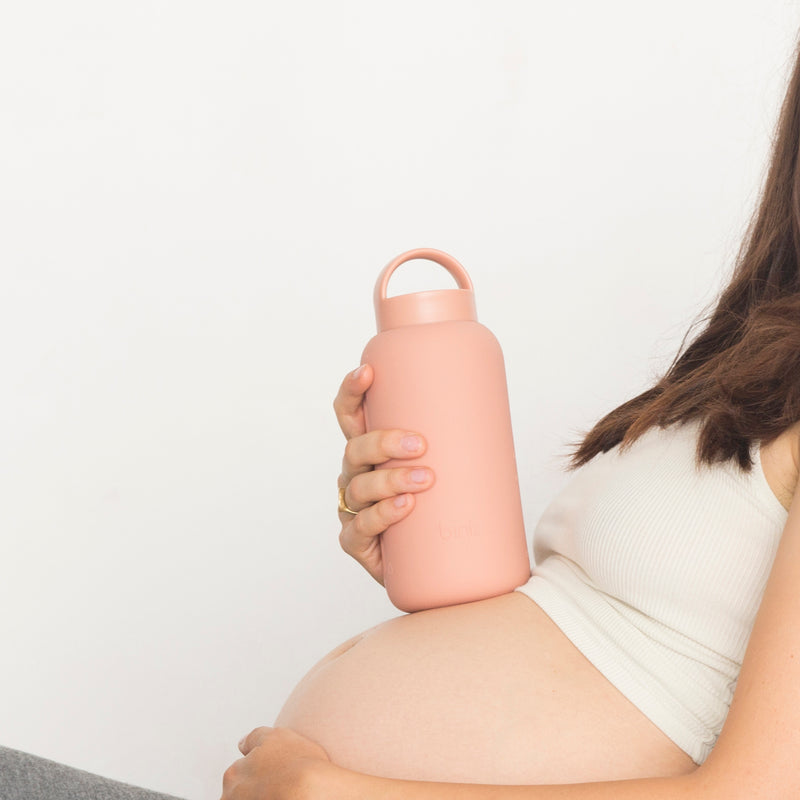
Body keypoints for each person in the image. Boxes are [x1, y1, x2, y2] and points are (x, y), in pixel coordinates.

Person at [3, 29, 800, 800]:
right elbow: (580, 653)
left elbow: (760, 793)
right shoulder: (749, 370)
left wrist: (341, 792)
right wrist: (415, 539)